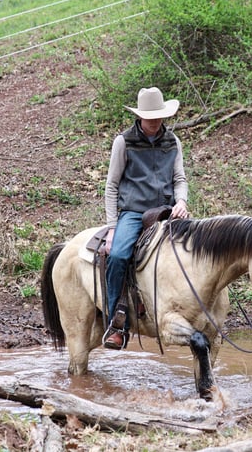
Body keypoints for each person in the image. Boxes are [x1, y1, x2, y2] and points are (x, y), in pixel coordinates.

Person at [101, 87, 189, 350]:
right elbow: (111, 186)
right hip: (134, 212)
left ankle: (192, 309)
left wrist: (182, 202)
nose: (154, 121)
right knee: (118, 256)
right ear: (139, 116)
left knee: (195, 251)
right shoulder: (124, 142)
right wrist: (112, 228)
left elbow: (179, 179)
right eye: (149, 117)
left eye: (157, 116)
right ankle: (117, 324)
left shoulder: (172, 142)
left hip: (167, 210)